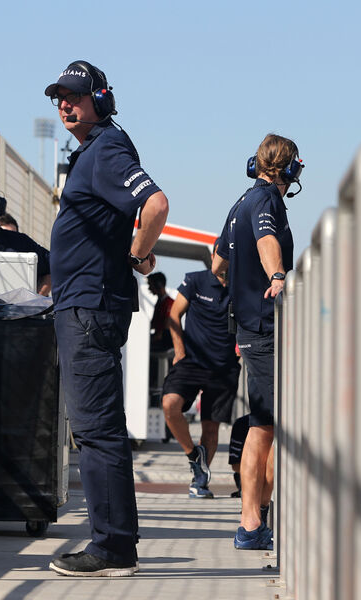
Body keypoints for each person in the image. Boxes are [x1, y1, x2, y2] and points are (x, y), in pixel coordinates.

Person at [43, 60, 169, 577]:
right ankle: (113, 541)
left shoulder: (107, 148)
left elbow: (156, 204)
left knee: (97, 431)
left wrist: (138, 254)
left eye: (74, 95)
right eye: (58, 98)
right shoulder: (95, 152)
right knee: (97, 430)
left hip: (90, 308)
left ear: (101, 99)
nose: (64, 104)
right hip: (87, 304)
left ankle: (112, 546)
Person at [212, 133, 303, 550]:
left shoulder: (239, 204)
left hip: (251, 326)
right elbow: (267, 240)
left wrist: (240, 290)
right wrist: (276, 276)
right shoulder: (267, 200)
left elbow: (218, 261)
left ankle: (260, 521)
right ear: (288, 169)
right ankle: (251, 525)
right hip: (265, 328)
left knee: (269, 425)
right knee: (265, 426)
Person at [161, 254, 240, 498]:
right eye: (222, 254)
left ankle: (200, 480)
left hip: (224, 367)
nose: (226, 260)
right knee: (169, 405)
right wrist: (180, 351)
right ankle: (194, 455)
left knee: (211, 427)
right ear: (214, 256)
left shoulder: (241, 287)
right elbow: (174, 315)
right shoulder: (196, 281)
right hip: (191, 362)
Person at [146, 272, 173, 352]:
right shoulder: (159, 303)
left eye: (150, 285)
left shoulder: (169, 303)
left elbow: (164, 332)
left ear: (158, 285)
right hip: (159, 341)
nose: (149, 288)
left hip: (166, 345)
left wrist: (147, 342)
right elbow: (153, 325)